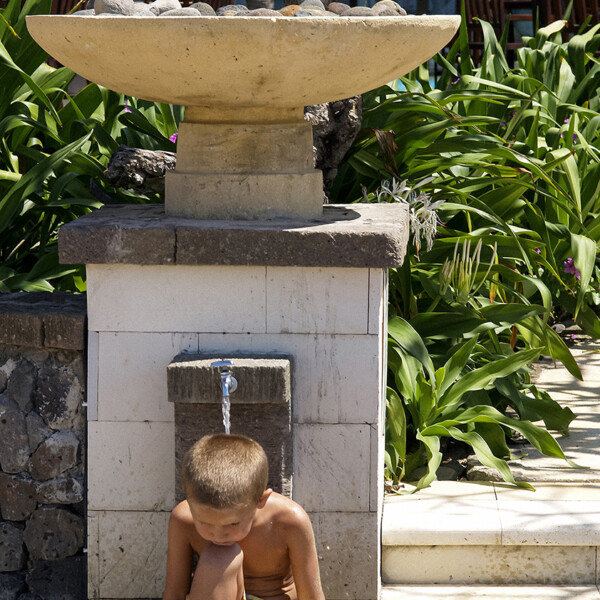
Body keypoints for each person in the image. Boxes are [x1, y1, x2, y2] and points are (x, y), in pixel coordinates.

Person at [162, 433, 326, 600]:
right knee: (218, 556)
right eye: (204, 522)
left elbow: (312, 596)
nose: (218, 535)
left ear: (260, 500)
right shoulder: (182, 519)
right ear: (190, 503)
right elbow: (175, 592)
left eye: (233, 524)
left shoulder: (289, 520)